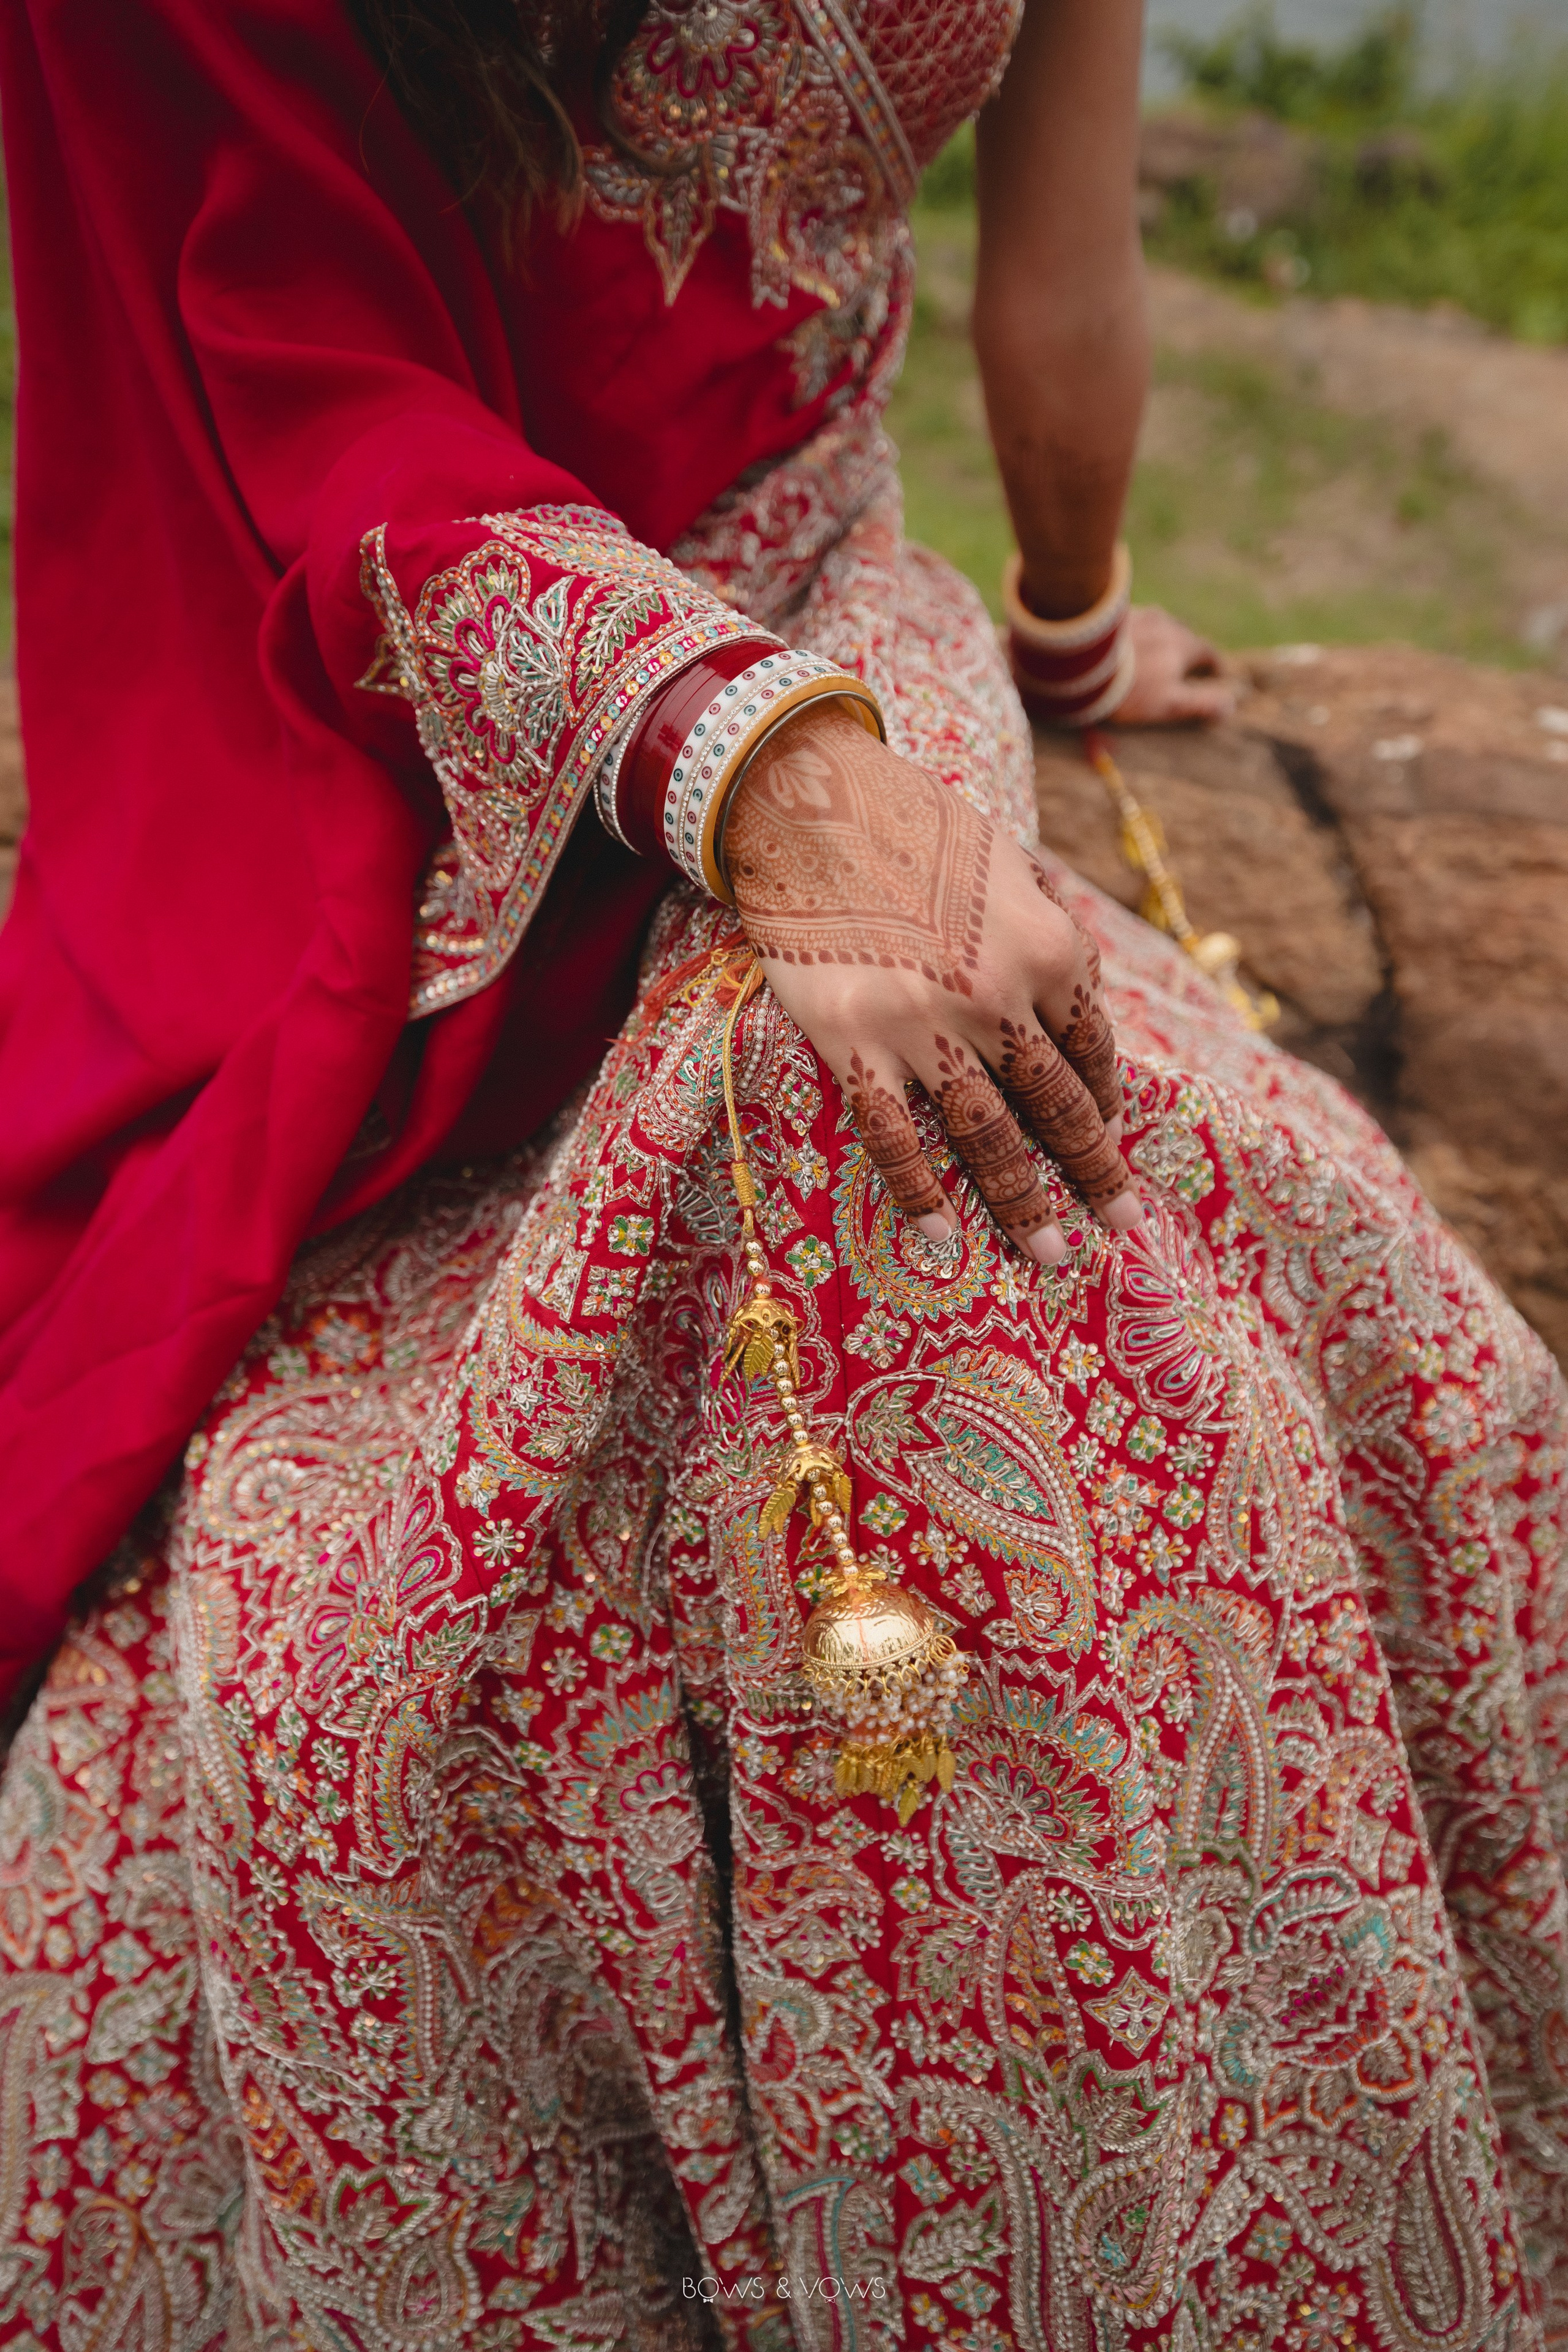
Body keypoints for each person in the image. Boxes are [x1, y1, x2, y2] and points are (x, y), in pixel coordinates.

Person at [0, 2, 1562, 2345]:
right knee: (408, 1614)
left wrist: (1023, 654)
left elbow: (1052, 278)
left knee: (974, 1246)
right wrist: (776, 758)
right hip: (411, 714)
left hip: (822, 628)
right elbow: (292, 363)